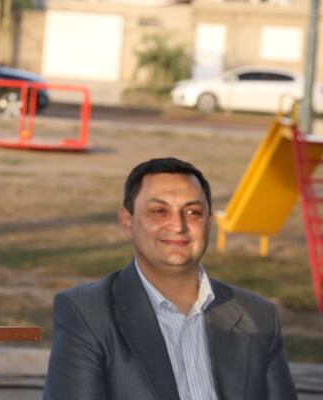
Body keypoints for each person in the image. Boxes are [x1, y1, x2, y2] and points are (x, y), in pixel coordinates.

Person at [44, 157, 296, 400]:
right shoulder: (86, 313)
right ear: (128, 222)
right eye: (159, 211)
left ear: (209, 224)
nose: (177, 225)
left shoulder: (258, 317)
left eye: (193, 212)